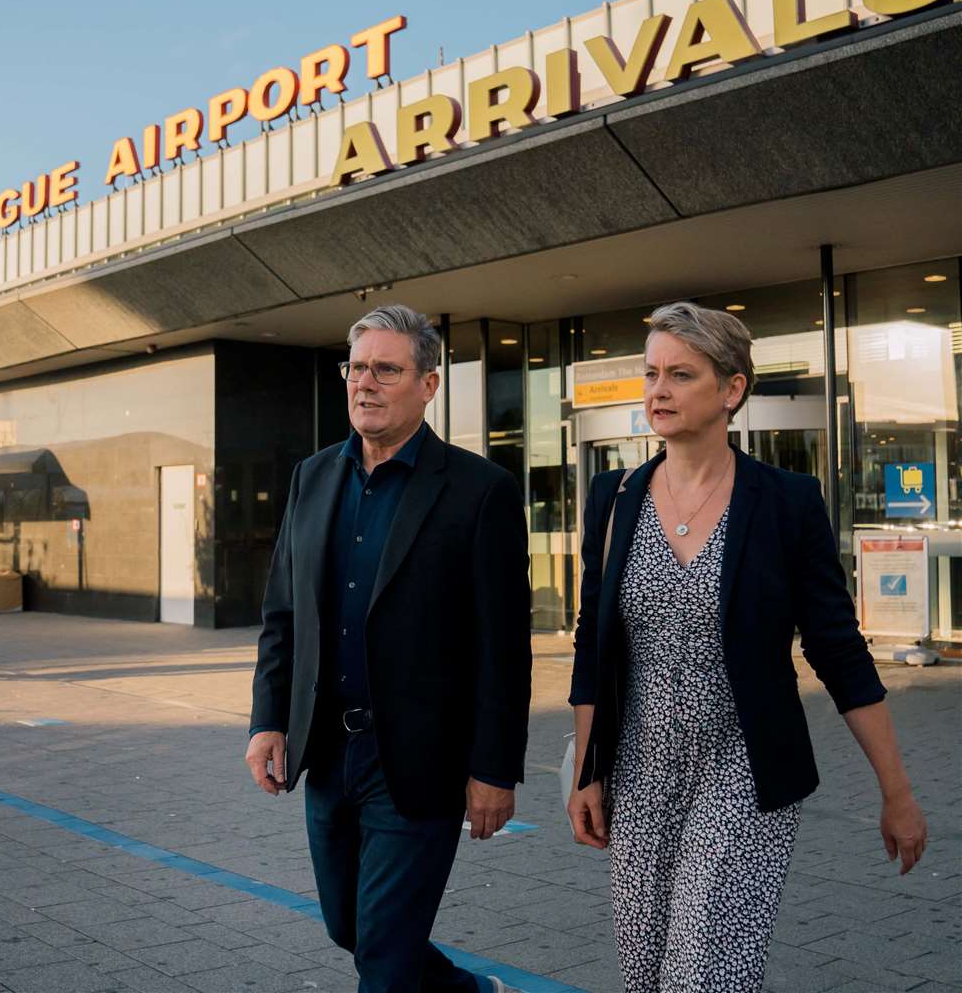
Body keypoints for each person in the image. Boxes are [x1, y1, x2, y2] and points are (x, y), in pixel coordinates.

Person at [566, 301, 928, 993]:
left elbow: (838, 652)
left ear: (732, 389)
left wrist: (898, 793)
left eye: (681, 374)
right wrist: (588, 771)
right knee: (645, 976)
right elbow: (594, 646)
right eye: (651, 374)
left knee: (703, 975)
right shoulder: (614, 499)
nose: (658, 391)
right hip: (640, 773)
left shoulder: (786, 502)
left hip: (744, 768)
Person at [245, 303, 532, 993]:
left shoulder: (479, 490)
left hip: (418, 760)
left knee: (383, 951)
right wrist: (268, 720)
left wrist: (495, 769)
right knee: (351, 927)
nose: (364, 383)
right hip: (327, 751)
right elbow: (283, 614)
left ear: (428, 385)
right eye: (357, 368)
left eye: (386, 370)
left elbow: (504, 646)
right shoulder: (311, 478)